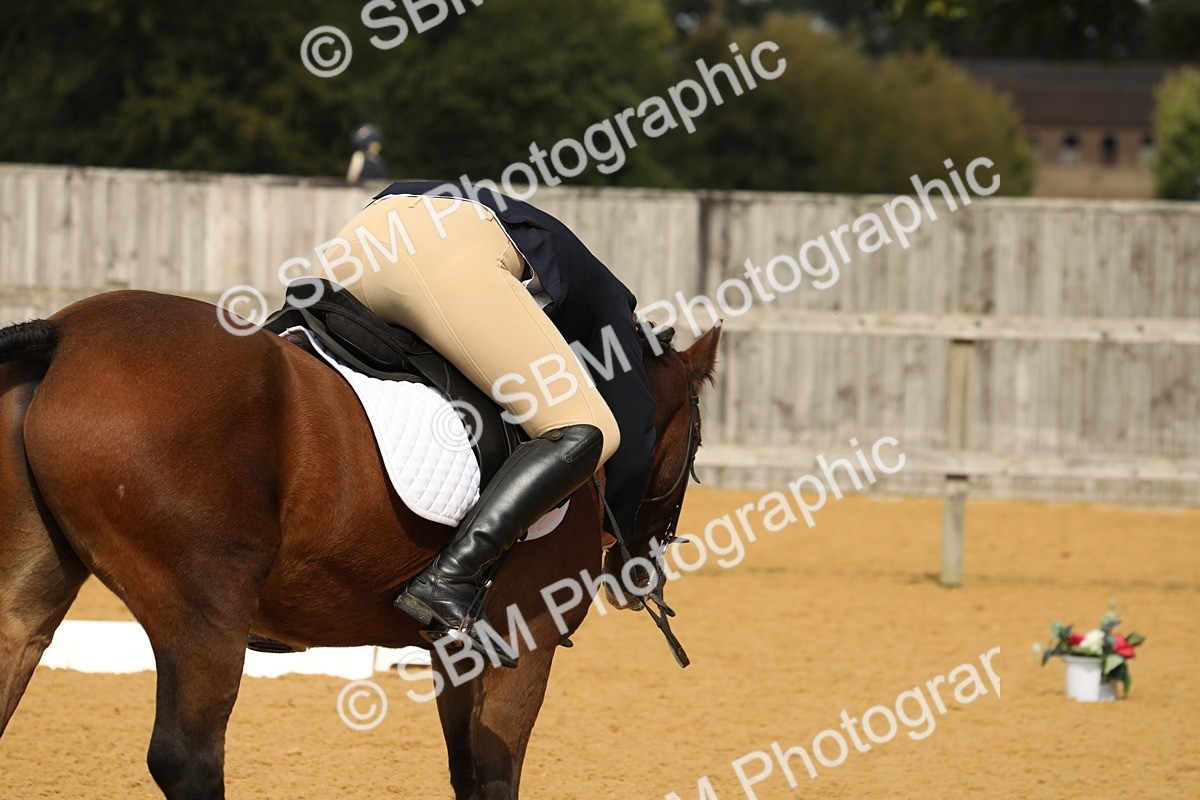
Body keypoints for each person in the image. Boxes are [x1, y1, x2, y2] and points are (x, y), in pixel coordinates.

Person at [328, 181, 656, 660]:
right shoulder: (609, 302)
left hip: (357, 237)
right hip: (441, 252)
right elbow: (635, 419)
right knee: (589, 428)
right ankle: (450, 578)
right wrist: (617, 536)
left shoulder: (535, 234)